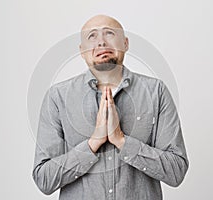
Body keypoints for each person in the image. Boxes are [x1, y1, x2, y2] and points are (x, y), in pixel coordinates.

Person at [32, 15, 189, 200]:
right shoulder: (57, 97)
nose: (101, 42)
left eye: (109, 33)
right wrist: (93, 143)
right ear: (82, 51)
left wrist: (122, 141)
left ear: (125, 43)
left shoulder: (156, 91)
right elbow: (44, 179)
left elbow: (176, 171)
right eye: (92, 36)